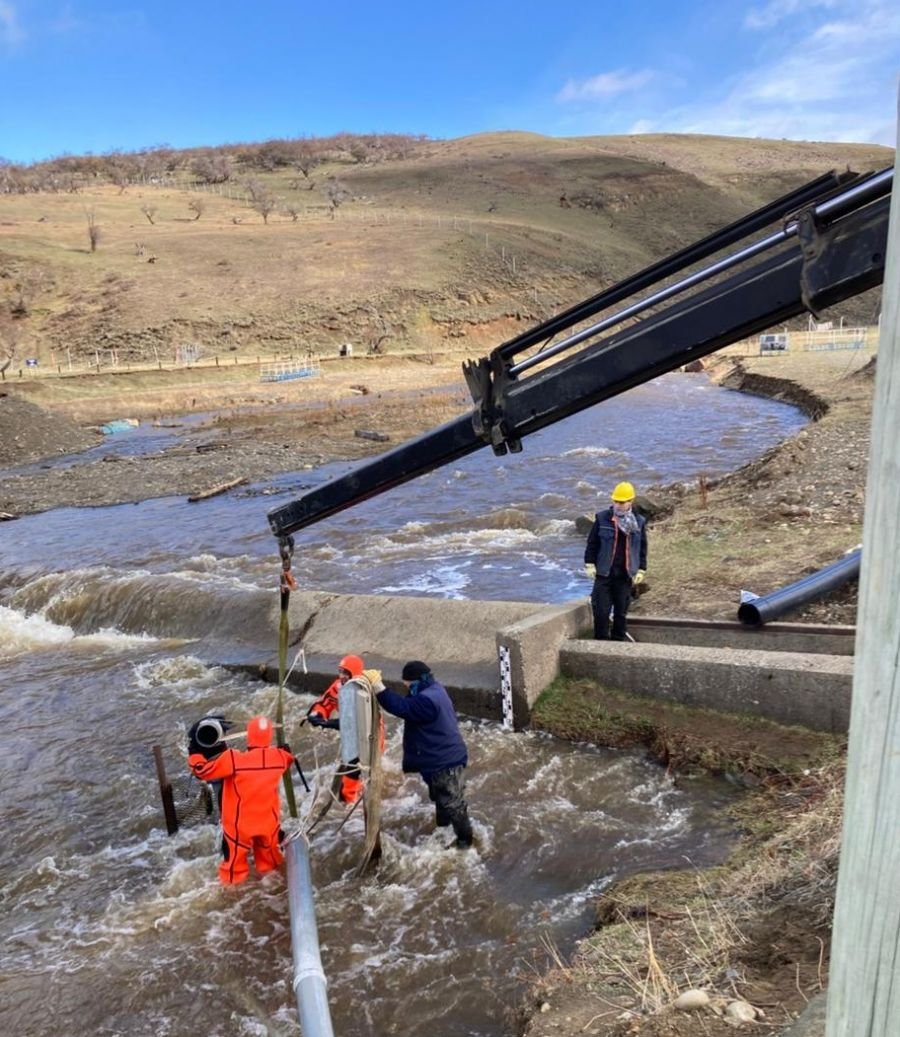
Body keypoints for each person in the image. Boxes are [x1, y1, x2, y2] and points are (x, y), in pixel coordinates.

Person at [375, 660, 474, 849]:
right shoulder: (436, 689)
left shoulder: (426, 700)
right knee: (444, 800)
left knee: (453, 805)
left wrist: (379, 689)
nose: (406, 688)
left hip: (444, 762)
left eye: (408, 685)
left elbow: (403, 708)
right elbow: (408, 704)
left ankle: (465, 845)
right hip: (444, 758)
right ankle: (444, 831)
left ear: (417, 681)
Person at [188, 715, 295, 885]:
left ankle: (234, 899)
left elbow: (202, 771)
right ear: (269, 736)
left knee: (233, 870)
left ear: (248, 736)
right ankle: (276, 893)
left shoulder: (233, 759)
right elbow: (289, 758)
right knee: (271, 866)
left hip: (239, 828)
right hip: (268, 825)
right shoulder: (279, 758)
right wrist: (285, 750)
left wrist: (195, 754)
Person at [584, 481, 648, 641]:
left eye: (622, 502)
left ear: (630, 501)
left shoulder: (639, 522)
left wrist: (641, 568)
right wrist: (589, 563)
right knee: (601, 612)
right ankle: (600, 642)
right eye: (616, 501)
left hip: (625, 574)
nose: (618, 505)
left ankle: (618, 641)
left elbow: (642, 547)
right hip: (604, 573)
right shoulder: (602, 518)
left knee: (621, 612)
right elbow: (592, 543)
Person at [306, 653, 367, 804]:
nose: (342, 676)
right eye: (340, 671)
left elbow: (355, 722)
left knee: (355, 770)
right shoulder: (338, 686)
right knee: (350, 770)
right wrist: (317, 714)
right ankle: (350, 799)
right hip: (352, 736)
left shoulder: (364, 691)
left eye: (346, 673)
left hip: (369, 736)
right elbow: (324, 702)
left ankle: (351, 803)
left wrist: (327, 723)